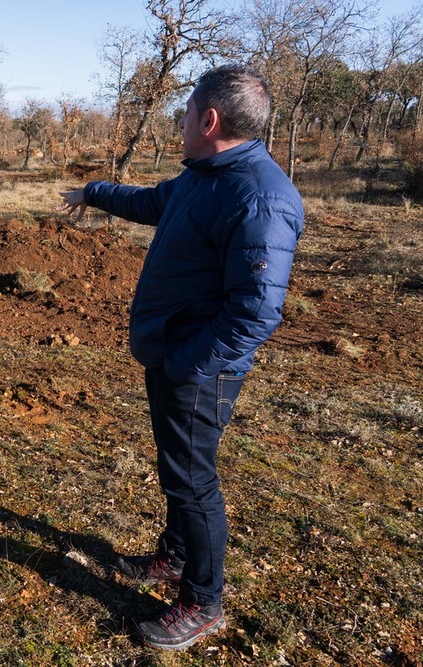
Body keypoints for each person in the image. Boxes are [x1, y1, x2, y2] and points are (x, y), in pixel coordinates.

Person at [57, 64, 303, 651]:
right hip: (175, 354)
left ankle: (202, 600)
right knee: (177, 472)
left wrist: (187, 364)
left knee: (193, 484)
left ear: (210, 120)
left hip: (199, 368)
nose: (182, 120)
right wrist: (92, 192)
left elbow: (255, 312)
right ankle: (174, 556)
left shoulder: (260, 197)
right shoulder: (205, 177)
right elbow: (153, 202)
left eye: (187, 111)